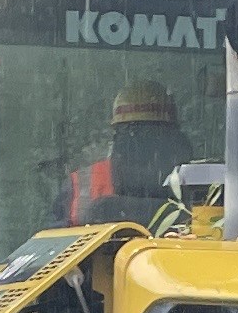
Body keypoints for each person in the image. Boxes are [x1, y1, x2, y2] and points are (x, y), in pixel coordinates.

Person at [68, 77, 196, 224]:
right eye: (134, 132)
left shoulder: (81, 183)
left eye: (150, 133)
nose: (144, 146)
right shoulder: (199, 185)